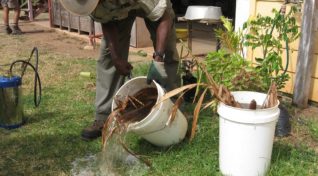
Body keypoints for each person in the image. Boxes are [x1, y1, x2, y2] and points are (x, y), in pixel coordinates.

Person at [60, 0, 181, 140]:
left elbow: (164, 18)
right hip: (118, 10)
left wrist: (158, 58)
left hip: (151, 5)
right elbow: (106, 21)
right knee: (108, 56)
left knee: (167, 50)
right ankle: (104, 116)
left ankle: (172, 106)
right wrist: (116, 57)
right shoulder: (91, 4)